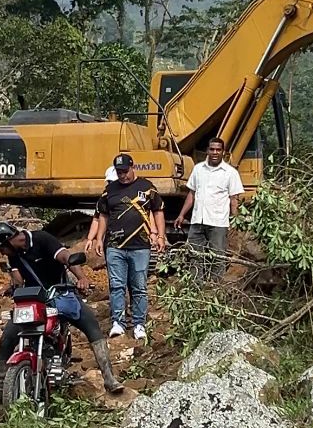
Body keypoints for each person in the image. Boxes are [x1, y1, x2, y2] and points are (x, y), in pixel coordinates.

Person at [0, 221, 123, 406]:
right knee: (8, 336)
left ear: (9, 241)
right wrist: (12, 285)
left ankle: (109, 378)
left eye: (1, 249)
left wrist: (82, 278)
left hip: (61, 293)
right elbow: (18, 279)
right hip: (34, 300)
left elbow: (64, 257)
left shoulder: (42, 239)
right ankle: (1, 386)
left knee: (91, 325)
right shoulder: (14, 255)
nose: (2, 253)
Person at [95, 154, 166, 341]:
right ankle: (118, 322)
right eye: (119, 172)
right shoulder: (109, 190)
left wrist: (160, 235)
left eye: (125, 171)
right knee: (117, 285)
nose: (123, 176)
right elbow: (103, 215)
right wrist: (98, 238)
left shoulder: (147, 187)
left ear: (133, 167)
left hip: (140, 246)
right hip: (115, 245)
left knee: (139, 286)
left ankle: (139, 323)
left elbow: (158, 211)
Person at [173, 137, 244, 276]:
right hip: (197, 221)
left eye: (218, 150)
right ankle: (195, 287)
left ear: (223, 152)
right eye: (212, 149)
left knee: (217, 258)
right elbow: (192, 194)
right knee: (194, 257)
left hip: (218, 223)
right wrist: (181, 214)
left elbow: (233, 199)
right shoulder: (198, 169)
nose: (215, 152)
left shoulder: (230, 173)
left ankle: (215, 290)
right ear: (207, 151)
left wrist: (235, 221)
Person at [83, 166, 120, 253]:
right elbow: (97, 218)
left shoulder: (133, 194)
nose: (111, 184)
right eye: (110, 182)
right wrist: (90, 239)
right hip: (113, 241)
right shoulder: (105, 198)